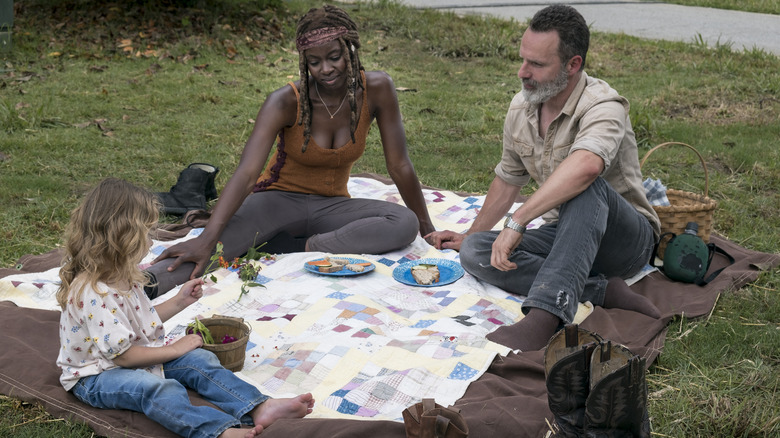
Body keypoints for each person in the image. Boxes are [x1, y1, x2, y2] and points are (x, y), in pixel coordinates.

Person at [146, 5, 435, 297]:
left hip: (331, 206)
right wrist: (206, 239)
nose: (326, 69)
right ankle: (138, 289)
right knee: (212, 251)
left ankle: (295, 247)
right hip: (274, 201)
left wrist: (427, 228)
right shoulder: (284, 101)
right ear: (304, 62)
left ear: (350, 49)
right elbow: (247, 173)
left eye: (334, 57)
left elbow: (399, 165)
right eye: (314, 62)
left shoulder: (378, 88)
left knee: (403, 223)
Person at [426, 5, 662, 352]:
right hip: (566, 236)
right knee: (478, 251)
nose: (523, 72)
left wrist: (517, 221)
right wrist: (471, 235)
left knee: (584, 184)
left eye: (536, 64)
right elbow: (508, 181)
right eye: (523, 60)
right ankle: (601, 291)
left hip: (625, 241)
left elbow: (586, 167)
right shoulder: (521, 108)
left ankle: (544, 315)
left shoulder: (604, 106)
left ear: (573, 65)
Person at [56, 178, 314, 438]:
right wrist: (174, 349)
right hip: (98, 377)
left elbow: (140, 322)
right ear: (121, 236)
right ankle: (218, 431)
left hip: (133, 360)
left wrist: (180, 302)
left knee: (200, 360)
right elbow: (121, 356)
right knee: (158, 389)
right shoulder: (93, 291)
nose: (150, 239)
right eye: (146, 232)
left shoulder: (123, 276)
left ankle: (259, 406)